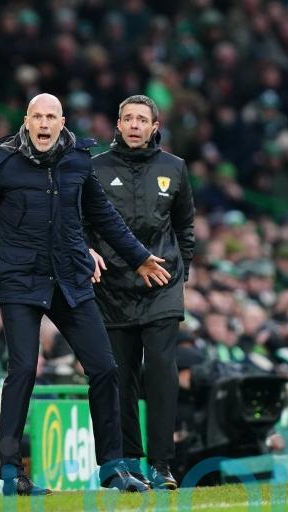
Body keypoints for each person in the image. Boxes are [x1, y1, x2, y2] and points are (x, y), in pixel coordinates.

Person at [0, 93, 170, 495]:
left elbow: (104, 217)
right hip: (21, 282)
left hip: (70, 279)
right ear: (26, 120)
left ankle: (113, 467)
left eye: (51, 117)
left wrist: (140, 258)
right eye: (37, 116)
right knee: (23, 369)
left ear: (62, 123)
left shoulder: (78, 160)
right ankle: (12, 473)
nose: (44, 124)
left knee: (105, 368)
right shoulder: (4, 162)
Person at [87, 95, 195, 490]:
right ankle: (128, 461)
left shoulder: (175, 168)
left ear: (154, 126)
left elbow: (185, 224)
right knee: (121, 375)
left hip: (162, 285)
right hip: (112, 287)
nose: (134, 125)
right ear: (117, 124)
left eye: (141, 119)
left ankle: (162, 464)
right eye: (127, 118)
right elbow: (80, 223)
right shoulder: (93, 168)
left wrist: (181, 268)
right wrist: (88, 252)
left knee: (162, 372)